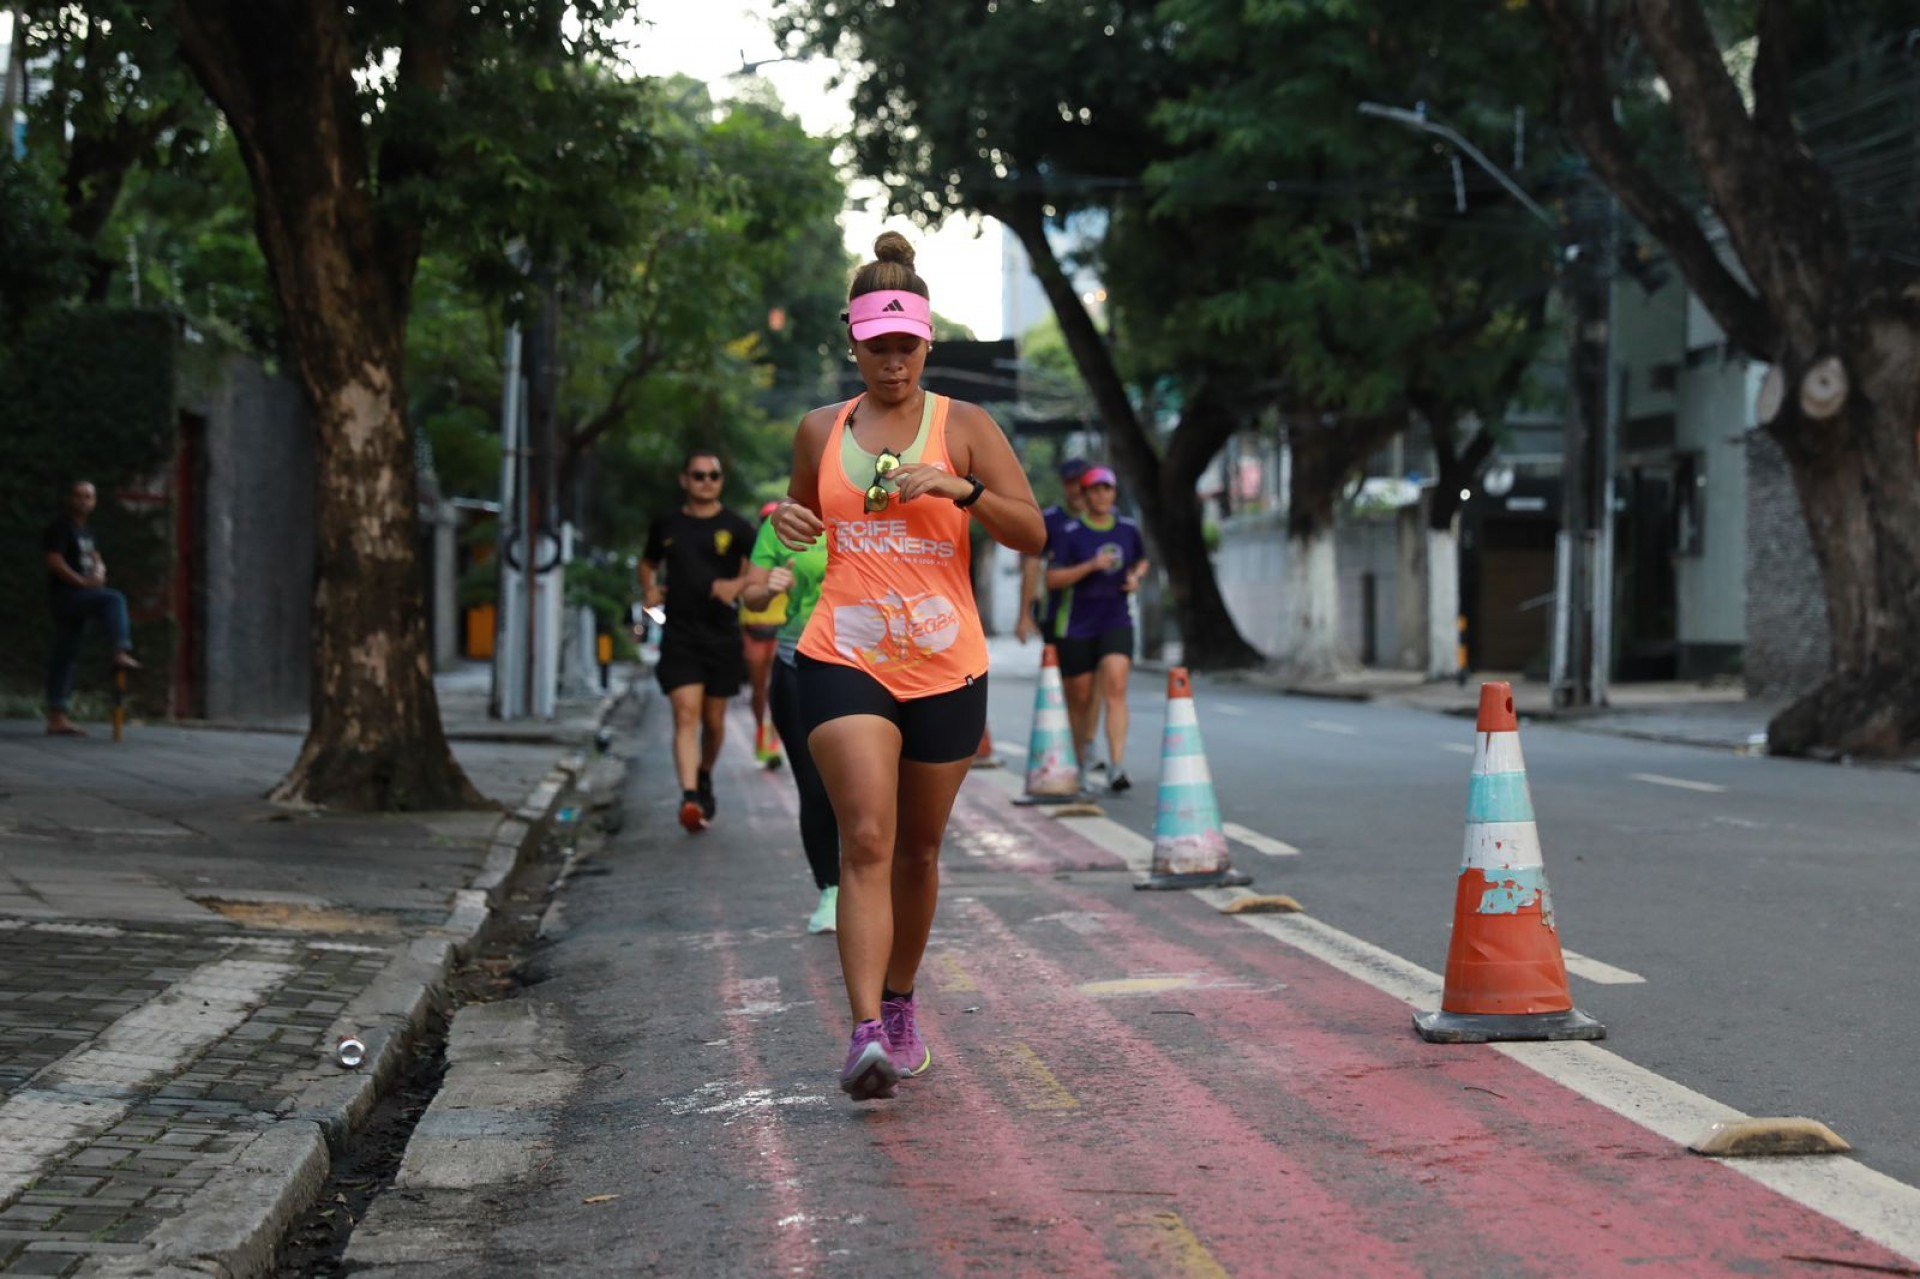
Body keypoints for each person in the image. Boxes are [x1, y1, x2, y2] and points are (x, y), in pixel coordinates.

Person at [773, 232, 1044, 1102]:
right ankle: (860, 1034)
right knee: (868, 838)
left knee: (920, 853)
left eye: (906, 346)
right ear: (852, 344)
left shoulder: (965, 427)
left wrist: (959, 488)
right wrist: (790, 527)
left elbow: (1033, 530)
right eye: (876, 346)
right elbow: (806, 518)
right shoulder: (820, 428)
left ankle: (898, 1000)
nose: (892, 362)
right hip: (844, 654)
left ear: (927, 344)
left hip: (945, 661)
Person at [640, 452, 756, 832]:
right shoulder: (667, 525)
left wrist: (735, 586)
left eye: (714, 475)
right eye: (699, 475)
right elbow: (648, 562)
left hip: (722, 636)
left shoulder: (737, 527)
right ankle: (689, 797)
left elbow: (760, 572)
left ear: (721, 481)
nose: (706, 481)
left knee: (714, 721)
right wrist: (650, 589)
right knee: (686, 714)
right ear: (684, 480)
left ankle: (704, 773)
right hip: (680, 636)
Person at [741, 519, 836, 933]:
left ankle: (871, 883)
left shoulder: (874, 502)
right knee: (815, 786)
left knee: (870, 787)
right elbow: (752, 596)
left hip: (870, 664)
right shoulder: (781, 524)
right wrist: (768, 588)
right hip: (797, 662)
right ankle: (832, 890)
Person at [1046, 465, 1150, 793]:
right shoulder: (1071, 533)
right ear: (1085, 495)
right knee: (1080, 697)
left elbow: (1141, 561)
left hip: (1116, 619)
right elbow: (1052, 578)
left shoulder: (1128, 530)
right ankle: (1081, 759)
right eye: (1095, 490)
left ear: (1114, 493)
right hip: (1076, 624)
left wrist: (1136, 578)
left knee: (1116, 685)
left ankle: (1116, 766)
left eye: (1108, 489)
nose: (1102, 495)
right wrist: (1091, 566)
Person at [43, 481, 141, 737]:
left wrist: (99, 573)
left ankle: (57, 716)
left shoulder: (87, 532)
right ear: (71, 499)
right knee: (114, 600)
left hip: (83, 595)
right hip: (68, 596)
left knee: (66, 654)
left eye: (89, 497)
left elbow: (97, 559)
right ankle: (120, 649)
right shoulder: (61, 527)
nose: (83, 500)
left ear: (95, 502)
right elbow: (54, 561)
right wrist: (84, 583)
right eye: (79, 495)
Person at [1013, 457, 1089, 646]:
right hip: (1059, 613)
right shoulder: (1050, 520)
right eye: (1072, 482)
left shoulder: (1112, 520)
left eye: (1083, 482)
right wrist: (1024, 614)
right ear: (1064, 485)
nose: (1078, 488)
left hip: (1105, 614)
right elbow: (1032, 565)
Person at [739, 500, 788, 770]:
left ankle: (774, 743)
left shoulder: (796, 549)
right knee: (759, 689)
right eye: (767, 520)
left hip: (783, 627)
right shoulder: (750, 556)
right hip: (754, 627)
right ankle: (761, 733)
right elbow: (739, 588)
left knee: (777, 689)